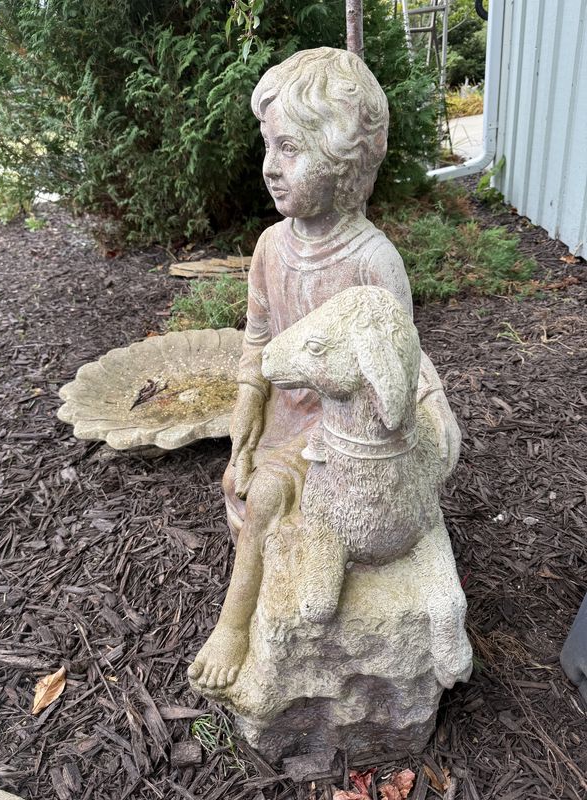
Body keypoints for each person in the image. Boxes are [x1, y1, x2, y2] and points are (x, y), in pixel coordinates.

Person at [188, 47, 460, 691]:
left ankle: (234, 625)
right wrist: (246, 409)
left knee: (265, 498)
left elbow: (398, 358)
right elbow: (258, 342)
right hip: (286, 413)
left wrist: (423, 411)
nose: (269, 167)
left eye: (289, 149)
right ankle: (274, 561)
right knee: (243, 482)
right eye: (269, 146)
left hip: (345, 432)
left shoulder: (373, 261)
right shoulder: (269, 248)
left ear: (342, 162)